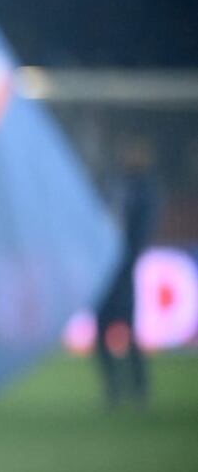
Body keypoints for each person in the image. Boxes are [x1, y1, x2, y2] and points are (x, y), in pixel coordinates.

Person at [95, 136, 160, 409]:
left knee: (128, 331)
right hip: (105, 273)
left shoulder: (143, 190)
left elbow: (141, 229)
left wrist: (128, 256)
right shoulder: (115, 185)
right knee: (101, 333)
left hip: (122, 272)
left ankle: (139, 388)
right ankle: (114, 388)